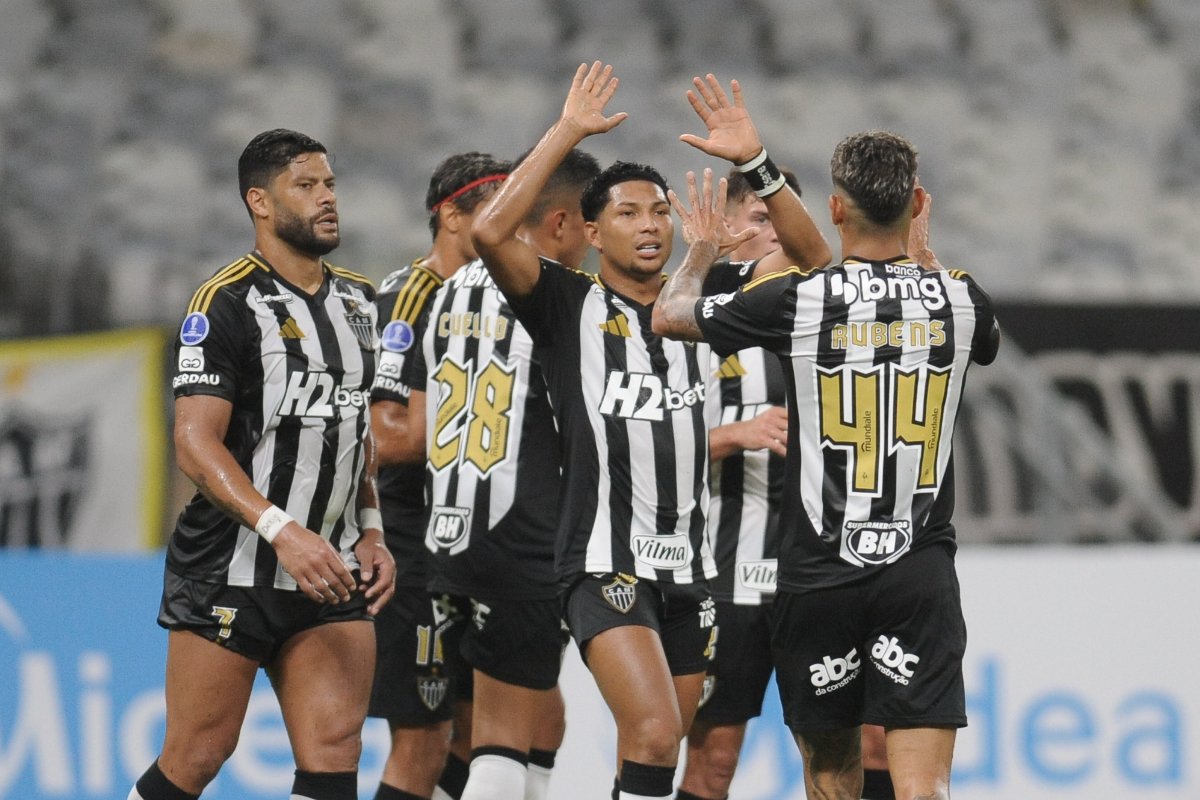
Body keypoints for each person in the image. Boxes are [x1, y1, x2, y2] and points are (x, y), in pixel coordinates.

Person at [470, 62, 830, 800]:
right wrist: (568, 129)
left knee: (656, 760)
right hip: (606, 563)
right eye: (630, 213)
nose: (649, 225)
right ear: (593, 231)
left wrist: (755, 167)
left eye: (660, 211)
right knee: (657, 732)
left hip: (693, 571)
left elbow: (814, 259)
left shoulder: (704, 298)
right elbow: (490, 229)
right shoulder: (565, 304)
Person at [653, 134, 1000, 800]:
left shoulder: (803, 301)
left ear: (836, 210)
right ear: (918, 203)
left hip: (817, 574)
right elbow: (978, 330)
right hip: (918, 571)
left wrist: (700, 246)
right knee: (924, 786)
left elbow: (669, 316)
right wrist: (925, 255)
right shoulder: (962, 301)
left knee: (831, 776)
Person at [128, 128, 397, 800]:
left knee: (335, 752)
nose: (326, 198)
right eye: (305, 187)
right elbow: (195, 444)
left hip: (331, 566)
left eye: (330, 183)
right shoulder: (225, 302)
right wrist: (281, 529)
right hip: (233, 564)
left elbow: (356, 430)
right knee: (197, 755)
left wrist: (371, 528)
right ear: (261, 202)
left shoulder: (363, 304)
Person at [677, 169, 895, 800]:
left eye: (787, 219)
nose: (779, 233)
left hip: (825, 570)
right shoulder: (692, 316)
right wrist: (730, 434)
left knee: (858, 741)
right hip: (730, 567)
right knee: (715, 758)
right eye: (764, 219)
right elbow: (638, 440)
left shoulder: (830, 310)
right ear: (730, 226)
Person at [412, 147, 601, 800]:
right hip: (522, 532)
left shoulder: (452, 289)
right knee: (500, 743)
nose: (596, 237)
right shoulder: (558, 300)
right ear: (560, 223)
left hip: (453, 533)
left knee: (488, 734)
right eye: (591, 221)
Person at [367, 151, 511, 800]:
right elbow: (385, 436)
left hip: (476, 545)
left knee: (479, 731)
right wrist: (490, 424)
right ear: (452, 216)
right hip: (414, 544)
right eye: (500, 208)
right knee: (421, 740)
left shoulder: (498, 300)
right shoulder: (411, 298)